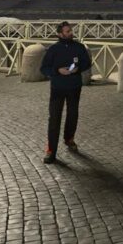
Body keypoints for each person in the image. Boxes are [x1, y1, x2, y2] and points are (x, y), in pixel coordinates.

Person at [40, 21, 92, 164]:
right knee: (54, 118)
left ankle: (69, 139)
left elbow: (87, 63)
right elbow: (43, 68)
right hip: (57, 88)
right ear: (59, 34)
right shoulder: (53, 49)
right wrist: (57, 71)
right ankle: (51, 151)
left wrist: (78, 68)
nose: (70, 33)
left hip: (74, 86)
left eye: (71, 31)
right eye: (67, 31)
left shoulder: (79, 47)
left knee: (73, 115)